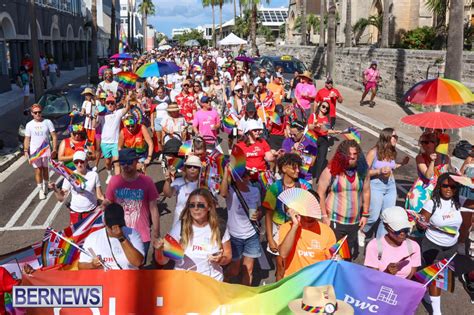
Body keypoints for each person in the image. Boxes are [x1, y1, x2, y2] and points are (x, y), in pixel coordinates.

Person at [418, 173, 472, 315]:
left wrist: (469, 182)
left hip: (450, 248)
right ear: (439, 186)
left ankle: (425, 293)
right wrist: (421, 224)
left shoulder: (460, 201)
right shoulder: (432, 203)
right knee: (436, 276)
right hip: (432, 246)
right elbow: (420, 223)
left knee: (434, 275)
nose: (449, 189)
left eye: (453, 186)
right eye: (445, 185)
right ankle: (436, 312)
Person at [154, 189, 232, 281]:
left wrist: (220, 260)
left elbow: (228, 257)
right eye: (192, 205)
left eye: (200, 205)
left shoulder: (219, 227)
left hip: (212, 283)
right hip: (185, 283)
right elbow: (163, 261)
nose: (196, 208)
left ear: (209, 207)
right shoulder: (180, 226)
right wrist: (159, 250)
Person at [317, 140, 370, 260]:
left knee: (346, 254)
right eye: (349, 154)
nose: (352, 157)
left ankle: (341, 276)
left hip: (354, 221)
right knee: (332, 254)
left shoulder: (363, 171)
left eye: (355, 154)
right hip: (334, 219)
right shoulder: (331, 171)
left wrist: (365, 214)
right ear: (341, 155)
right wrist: (324, 216)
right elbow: (320, 193)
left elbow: (366, 192)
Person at [263, 153, 312, 281]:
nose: (297, 170)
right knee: (280, 265)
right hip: (279, 230)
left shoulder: (305, 186)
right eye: (294, 168)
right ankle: (278, 289)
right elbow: (268, 214)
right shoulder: (275, 188)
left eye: (298, 167)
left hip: (299, 230)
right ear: (284, 168)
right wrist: (270, 238)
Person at [104, 149, 160, 258]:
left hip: (142, 236)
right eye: (123, 163)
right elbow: (109, 201)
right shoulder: (114, 181)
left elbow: (154, 209)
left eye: (129, 162)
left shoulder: (147, 181)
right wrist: (103, 204)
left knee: (139, 269)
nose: (126, 166)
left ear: (136, 162)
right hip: (119, 234)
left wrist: (156, 233)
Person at [361, 128, 410, 243]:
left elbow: (391, 167)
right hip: (375, 186)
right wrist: (379, 171)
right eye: (395, 137)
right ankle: (362, 231)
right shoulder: (374, 152)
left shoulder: (392, 151)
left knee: (387, 217)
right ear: (387, 137)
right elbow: (363, 172)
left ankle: (381, 243)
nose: (396, 139)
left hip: (390, 186)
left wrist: (402, 164)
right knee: (373, 216)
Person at [220, 167, 262, 286]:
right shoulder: (231, 191)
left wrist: (258, 214)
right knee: (234, 270)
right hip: (234, 236)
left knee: (248, 270)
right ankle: (223, 284)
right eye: (238, 176)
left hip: (251, 235)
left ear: (248, 177)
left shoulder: (255, 191)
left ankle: (244, 297)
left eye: (244, 175)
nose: (241, 178)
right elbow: (222, 193)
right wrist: (226, 173)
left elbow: (259, 209)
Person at [78, 203, 145, 270]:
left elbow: (138, 262)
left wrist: (122, 238)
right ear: (104, 222)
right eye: (111, 227)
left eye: (119, 226)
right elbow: (80, 266)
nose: (115, 230)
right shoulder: (92, 238)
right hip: (104, 279)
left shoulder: (133, 234)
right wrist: (92, 265)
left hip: (127, 277)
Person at [364, 206, 421, 279]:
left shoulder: (414, 246)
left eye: (405, 229)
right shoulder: (374, 246)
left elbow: (410, 279)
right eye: (398, 230)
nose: (402, 233)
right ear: (386, 227)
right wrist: (386, 272)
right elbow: (373, 279)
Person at [279, 207, 336, 278]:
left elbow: (331, 258)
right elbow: (283, 253)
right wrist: (295, 226)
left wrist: (337, 259)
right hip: (292, 280)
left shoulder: (327, 231)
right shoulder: (287, 227)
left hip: (316, 280)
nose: (310, 212)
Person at [50, 151, 104, 224]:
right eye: (76, 162)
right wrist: (55, 189)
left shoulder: (94, 175)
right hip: (75, 213)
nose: (79, 165)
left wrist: (105, 207)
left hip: (92, 213)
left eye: (81, 162)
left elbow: (100, 195)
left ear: (86, 161)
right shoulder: (70, 176)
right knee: (76, 235)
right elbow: (61, 198)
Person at [406, 132, 451, 214]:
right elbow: (428, 176)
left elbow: (444, 175)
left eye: (426, 142)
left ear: (435, 143)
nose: (424, 144)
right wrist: (432, 161)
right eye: (422, 142)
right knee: (416, 216)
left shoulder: (445, 158)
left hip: (439, 190)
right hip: (423, 190)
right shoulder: (420, 157)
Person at [23, 104, 58, 200]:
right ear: (32, 114)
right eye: (35, 112)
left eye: (39, 112)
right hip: (35, 152)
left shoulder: (47, 122)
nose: (38, 114)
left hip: (46, 150)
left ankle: (45, 185)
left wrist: (55, 149)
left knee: (46, 169)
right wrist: (26, 150)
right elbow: (27, 138)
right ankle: (40, 190)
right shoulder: (29, 125)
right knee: (38, 170)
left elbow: (54, 136)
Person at [307, 101, 342, 182]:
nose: (325, 109)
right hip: (314, 138)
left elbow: (326, 131)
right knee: (312, 158)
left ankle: (318, 176)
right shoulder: (314, 116)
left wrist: (335, 131)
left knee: (322, 159)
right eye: (323, 106)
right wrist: (316, 125)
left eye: (327, 108)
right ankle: (309, 174)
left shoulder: (327, 118)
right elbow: (309, 126)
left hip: (323, 139)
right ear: (319, 106)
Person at [162, 155, 201, 225]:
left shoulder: (204, 184)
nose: (192, 169)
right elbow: (168, 194)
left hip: (197, 222)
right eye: (189, 166)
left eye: (195, 167)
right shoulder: (179, 181)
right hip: (179, 221)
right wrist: (167, 181)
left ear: (200, 169)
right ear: (185, 169)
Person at [100, 94, 130, 183]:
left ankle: (118, 181)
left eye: (112, 103)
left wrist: (127, 100)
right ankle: (109, 174)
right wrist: (95, 116)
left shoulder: (118, 113)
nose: (110, 105)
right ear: (105, 104)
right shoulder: (102, 114)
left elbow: (127, 108)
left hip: (115, 142)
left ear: (115, 105)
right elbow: (94, 125)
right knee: (107, 162)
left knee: (117, 162)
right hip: (105, 142)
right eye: (108, 103)